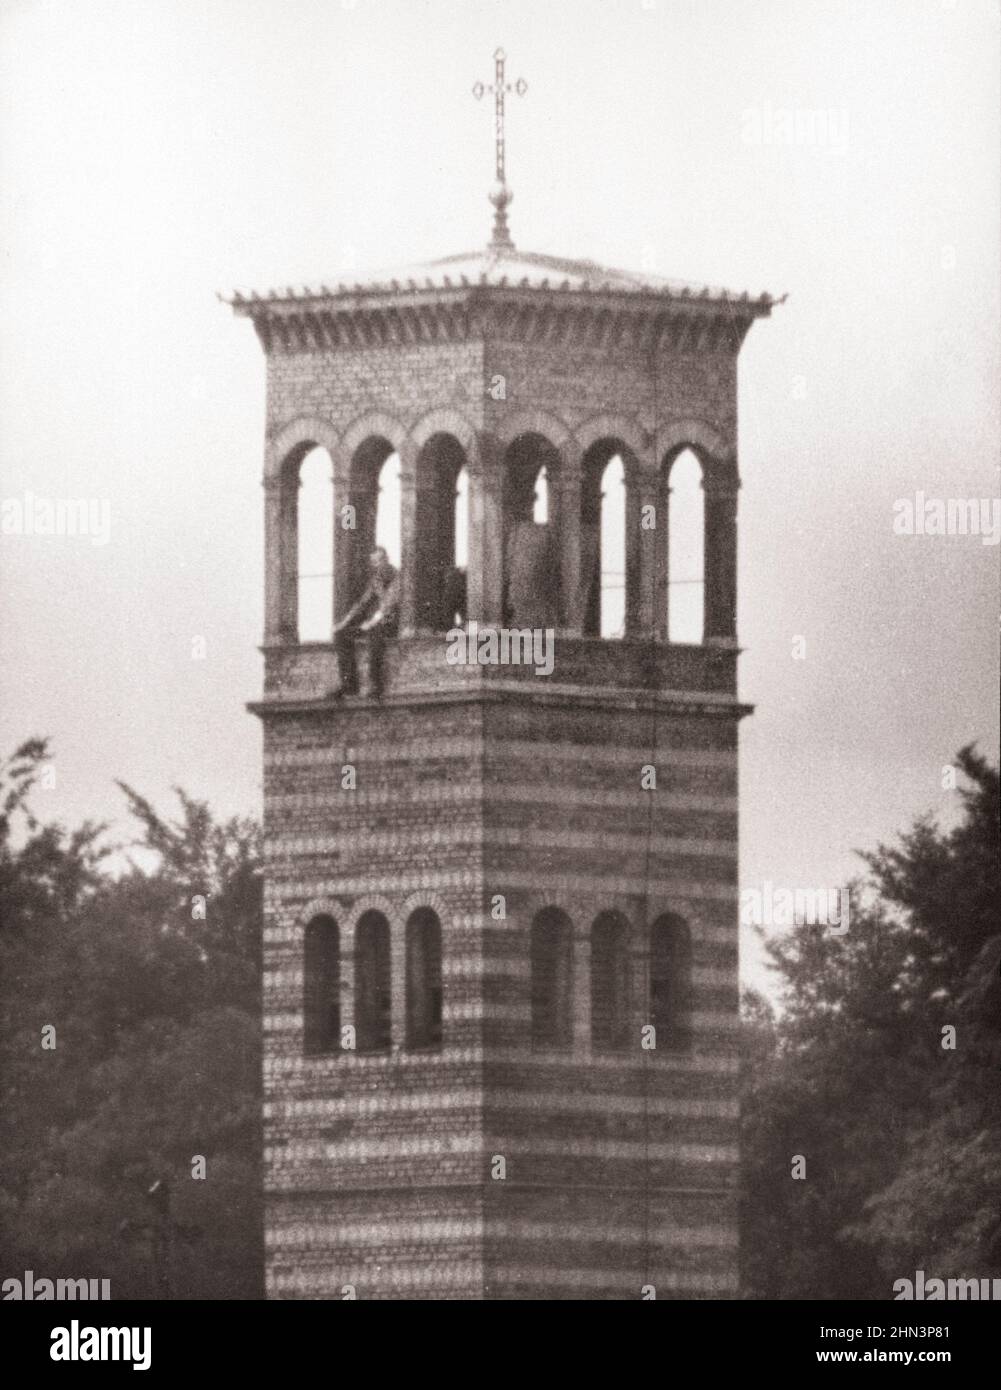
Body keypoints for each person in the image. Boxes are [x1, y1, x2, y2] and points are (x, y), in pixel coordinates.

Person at [329, 547, 400, 698]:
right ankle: (349, 684)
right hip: (377, 622)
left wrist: (372, 623)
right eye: (374, 562)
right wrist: (344, 623)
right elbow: (362, 603)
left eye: (380, 560)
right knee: (342, 635)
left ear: (387, 559)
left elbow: (389, 604)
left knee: (375, 635)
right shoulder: (376, 581)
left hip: (392, 623)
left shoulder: (397, 578)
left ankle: (375, 684)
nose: (377, 565)